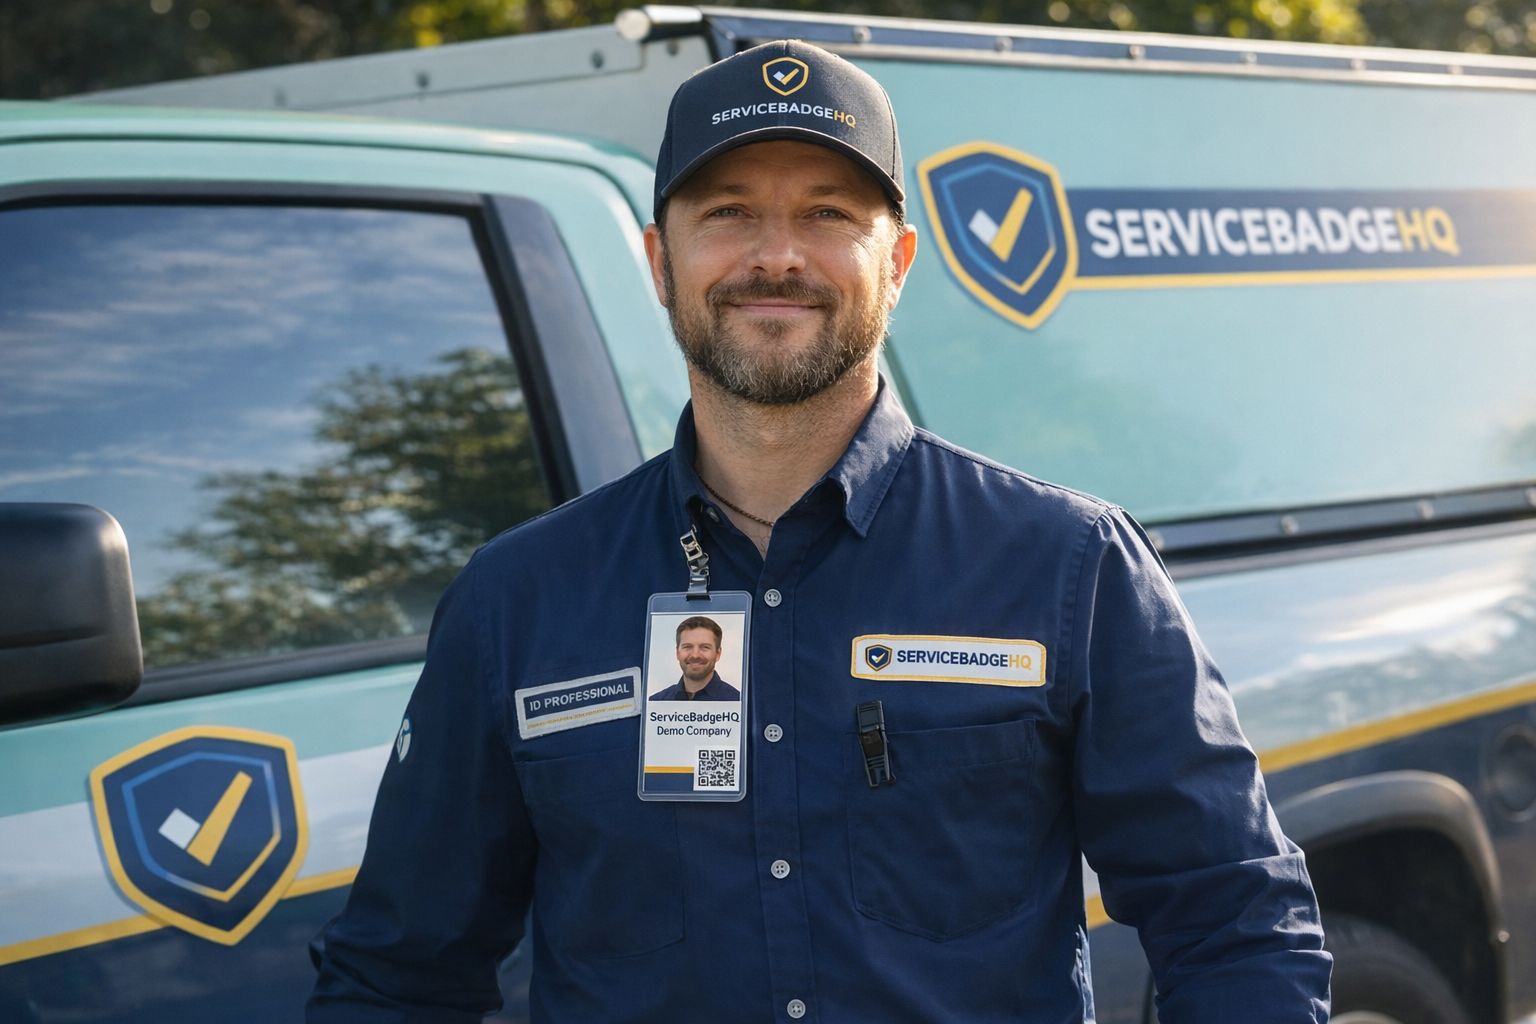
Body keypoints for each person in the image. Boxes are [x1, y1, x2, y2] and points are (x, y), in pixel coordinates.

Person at [308, 39, 1331, 1023]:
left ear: (898, 263)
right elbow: (397, 975)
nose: (777, 254)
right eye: (730, 212)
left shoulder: (1068, 566)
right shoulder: (516, 600)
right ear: (661, 260)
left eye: (828, 213)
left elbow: (1233, 920)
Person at [648, 615, 742, 701]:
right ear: (677, 652)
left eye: (705, 647)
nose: (695, 655)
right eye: (687, 647)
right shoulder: (657, 702)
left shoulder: (738, 702)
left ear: (718, 653)